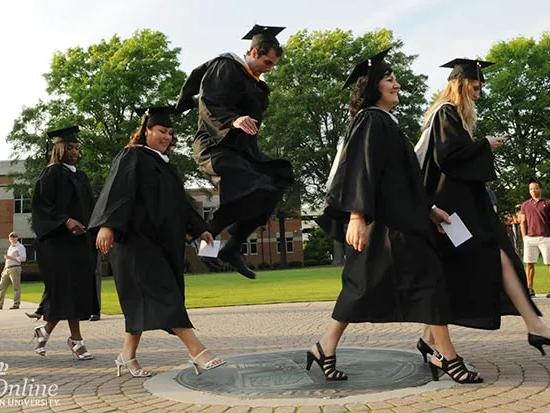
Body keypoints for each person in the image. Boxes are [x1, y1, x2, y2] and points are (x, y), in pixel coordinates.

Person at [313, 49, 481, 384]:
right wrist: (357, 216)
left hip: (401, 221)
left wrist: (429, 209)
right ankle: (448, 357)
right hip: (387, 226)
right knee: (425, 282)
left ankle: (323, 347)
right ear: (373, 85)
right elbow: (362, 169)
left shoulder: (384, 121)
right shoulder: (370, 119)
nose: (398, 85)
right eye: (390, 80)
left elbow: (399, 179)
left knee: (361, 287)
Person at [415, 58, 550, 357]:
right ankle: (535, 326)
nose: (478, 92)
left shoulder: (448, 116)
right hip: (453, 213)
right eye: (475, 87)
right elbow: (448, 157)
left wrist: (480, 145)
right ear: (460, 84)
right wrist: (484, 144)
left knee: (465, 266)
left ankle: (428, 338)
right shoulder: (446, 113)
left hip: (457, 211)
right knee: (492, 256)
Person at [89, 106, 225, 378]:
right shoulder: (133, 156)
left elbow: (181, 205)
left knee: (145, 299)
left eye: (171, 133)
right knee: (164, 295)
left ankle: (126, 355)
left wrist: (200, 230)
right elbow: (117, 190)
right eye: (162, 131)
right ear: (146, 130)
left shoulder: (166, 166)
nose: (167, 137)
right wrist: (107, 225)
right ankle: (197, 351)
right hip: (136, 243)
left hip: (162, 244)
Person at [175, 24, 294, 279]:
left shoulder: (260, 87)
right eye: (266, 61)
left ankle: (232, 247)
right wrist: (234, 120)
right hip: (214, 145)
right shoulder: (225, 66)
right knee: (250, 186)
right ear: (252, 52)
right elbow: (210, 103)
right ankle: (207, 249)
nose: (269, 68)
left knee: (274, 184)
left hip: (242, 151)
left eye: (273, 64)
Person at [31, 125, 98, 359]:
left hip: (79, 243)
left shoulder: (80, 175)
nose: (75, 152)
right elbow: (42, 208)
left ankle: (46, 330)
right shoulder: (51, 173)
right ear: (59, 148)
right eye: (70, 147)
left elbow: (90, 206)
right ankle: (76, 340)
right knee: (67, 289)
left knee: (74, 290)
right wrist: (66, 220)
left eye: (77, 148)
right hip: (57, 243)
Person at [520, 179, 550, 297]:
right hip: (530, 238)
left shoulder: (547, 203)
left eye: (535, 188)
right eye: (531, 189)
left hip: (546, 237)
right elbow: (522, 222)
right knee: (529, 264)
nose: (533, 191)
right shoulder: (525, 205)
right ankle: (529, 288)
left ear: (540, 189)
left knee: (549, 264)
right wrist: (524, 237)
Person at [0, 232, 27, 310]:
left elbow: (23, 258)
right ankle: (0, 304)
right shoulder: (10, 247)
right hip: (7, 268)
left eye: (14, 237)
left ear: (17, 238)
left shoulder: (20, 247)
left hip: (15, 268)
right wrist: (4, 269)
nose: (12, 238)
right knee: (1, 287)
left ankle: (16, 304)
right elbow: (7, 260)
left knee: (16, 287)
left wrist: (12, 257)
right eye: (11, 237)